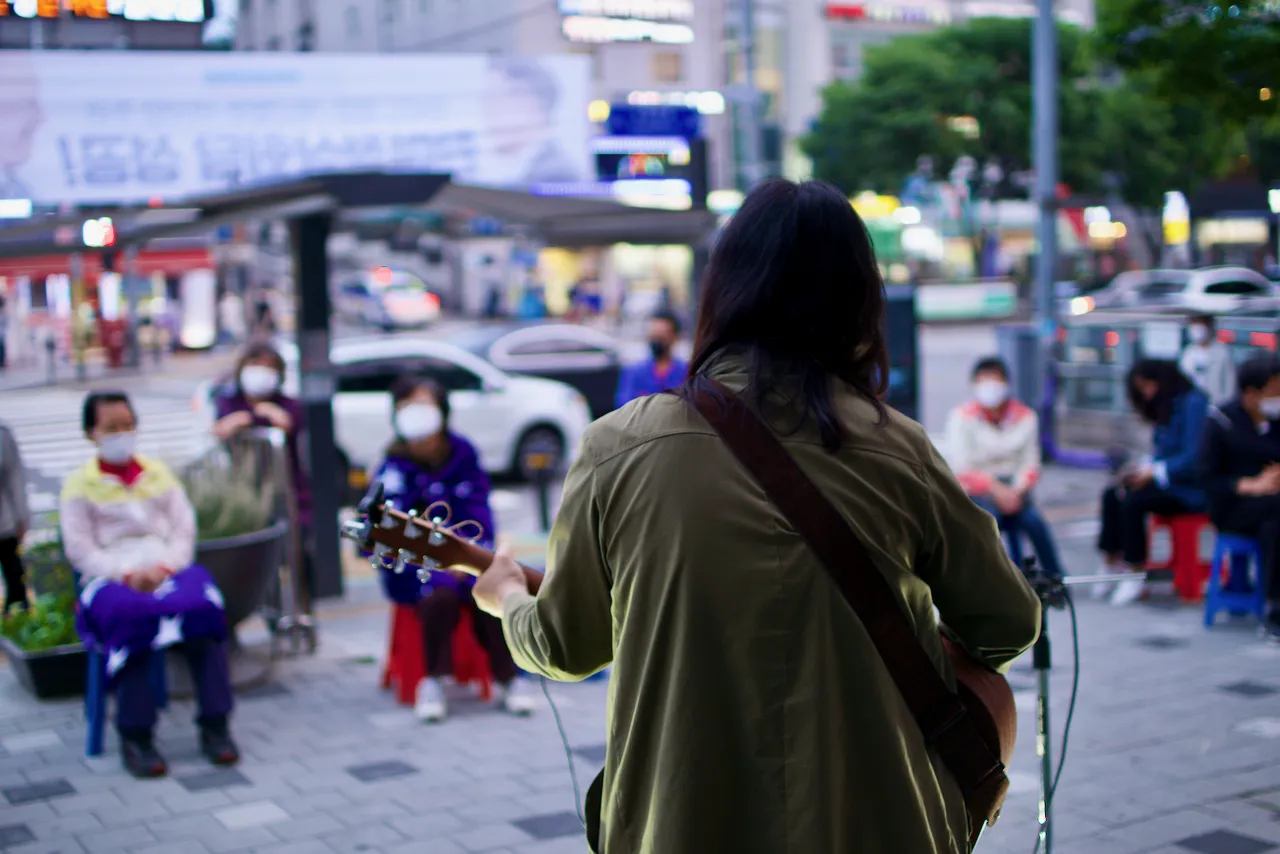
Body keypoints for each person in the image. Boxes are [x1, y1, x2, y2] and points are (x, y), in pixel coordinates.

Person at [470, 179, 1041, 854]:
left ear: (721, 294)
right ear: (860, 304)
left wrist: (507, 596)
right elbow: (1007, 622)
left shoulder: (617, 446)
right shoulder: (899, 447)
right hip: (880, 823)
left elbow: (568, 647)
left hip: (681, 826)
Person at [59, 391, 238, 778]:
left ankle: (215, 724)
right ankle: (136, 735)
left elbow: (183, 529)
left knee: (205, 609)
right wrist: (125, 573)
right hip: (109, 578)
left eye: (127, 425)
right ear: (91, 433)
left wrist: (165, 566)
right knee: (132, 619)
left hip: (165, 569)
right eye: (111, 428)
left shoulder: (158, 474)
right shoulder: (78, 485)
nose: (121, 434)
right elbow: (79, 549)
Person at [371, 374, 534, 722]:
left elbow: (479, 515)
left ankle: (509, 679)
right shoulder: (392, 465)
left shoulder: (463, 453)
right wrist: (439, 561)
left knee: (491, 590)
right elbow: (386, 532)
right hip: (415, 568)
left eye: (424, 405)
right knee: (439, 593)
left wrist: (467, 556)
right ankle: (432, 681)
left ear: (442, 412)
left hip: (467, 558)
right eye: (407, 407)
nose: (416, 415)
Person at [1097, 359, 1209, 606]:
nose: (1147, 393)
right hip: (1167, 481)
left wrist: (1154, 471)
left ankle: (1135, 573)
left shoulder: (1193, 402)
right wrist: (1143, 467)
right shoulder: (1165, 406)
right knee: (1113, 493)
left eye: (1148, 386)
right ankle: (1110, 562)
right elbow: (1160, 452)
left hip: (1190, 491)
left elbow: (1194, 457)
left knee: (1134, 502)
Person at [945, 357, 1064, 578]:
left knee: (1034, 523)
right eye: (983, 381)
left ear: (1006, 383)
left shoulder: (1025, 417)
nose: (990, 387)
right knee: (989, 523)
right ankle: (994, 580)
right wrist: (995, 490)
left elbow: (1031, 462)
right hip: (979, 491)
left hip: (1015, 489)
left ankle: (1055, 579)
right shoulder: (962, 417)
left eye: (995, 380)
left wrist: (1015, 492)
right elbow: (962, 466)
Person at [1198, 355, 1280, 640]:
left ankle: (1273, 606)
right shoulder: (1221, 422)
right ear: (1251, 393)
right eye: (1274, 390)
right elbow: (1206, 479)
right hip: (1232, 509)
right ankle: (1274, 609)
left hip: (1270, 509)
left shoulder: (1276, 421)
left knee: (1274, 524)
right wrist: (1249, 485)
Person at [614, 310, 689, 408]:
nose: (657, 340)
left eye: (662, 335)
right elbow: (623, 406)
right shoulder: (634, 371)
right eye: (653, 335)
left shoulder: (686, 372)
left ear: (675, 337)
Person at [0, 421, 31, 613]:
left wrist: (21, 516)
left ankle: (18, 610)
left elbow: (15, 477)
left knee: (14, 574)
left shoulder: (3, 436)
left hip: (4, 523)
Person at [1179, 314, 1235, 406]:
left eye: (1201, 323)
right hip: (1193, 405)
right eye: (1194, 323)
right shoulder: (1188, 353)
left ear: (1209, 326)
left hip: (1216, 405)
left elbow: (1230, 386)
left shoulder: (1222, 352)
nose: (1197, 329)